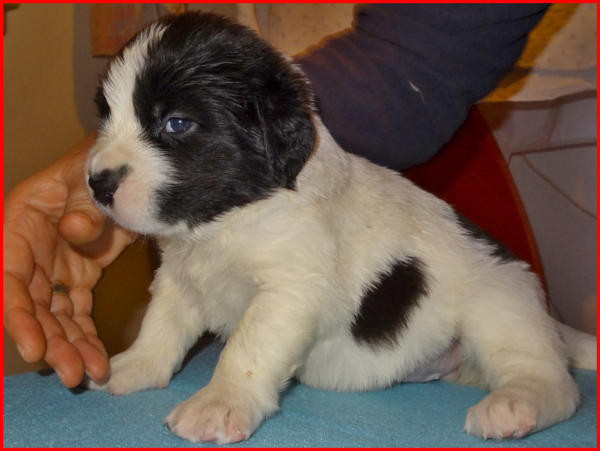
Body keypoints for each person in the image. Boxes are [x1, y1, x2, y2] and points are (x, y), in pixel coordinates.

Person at [3, 4, 548, 388]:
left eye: (175, 124)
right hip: (379, 364)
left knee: (501, 304)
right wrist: (149, 359)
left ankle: (539, 381)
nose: (101, 164)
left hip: (445, 318)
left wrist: (236, 390)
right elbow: (183, 284)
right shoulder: (227, 194)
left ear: (277, 132)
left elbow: (292, 291)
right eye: (110, 118)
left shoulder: (297, 196)